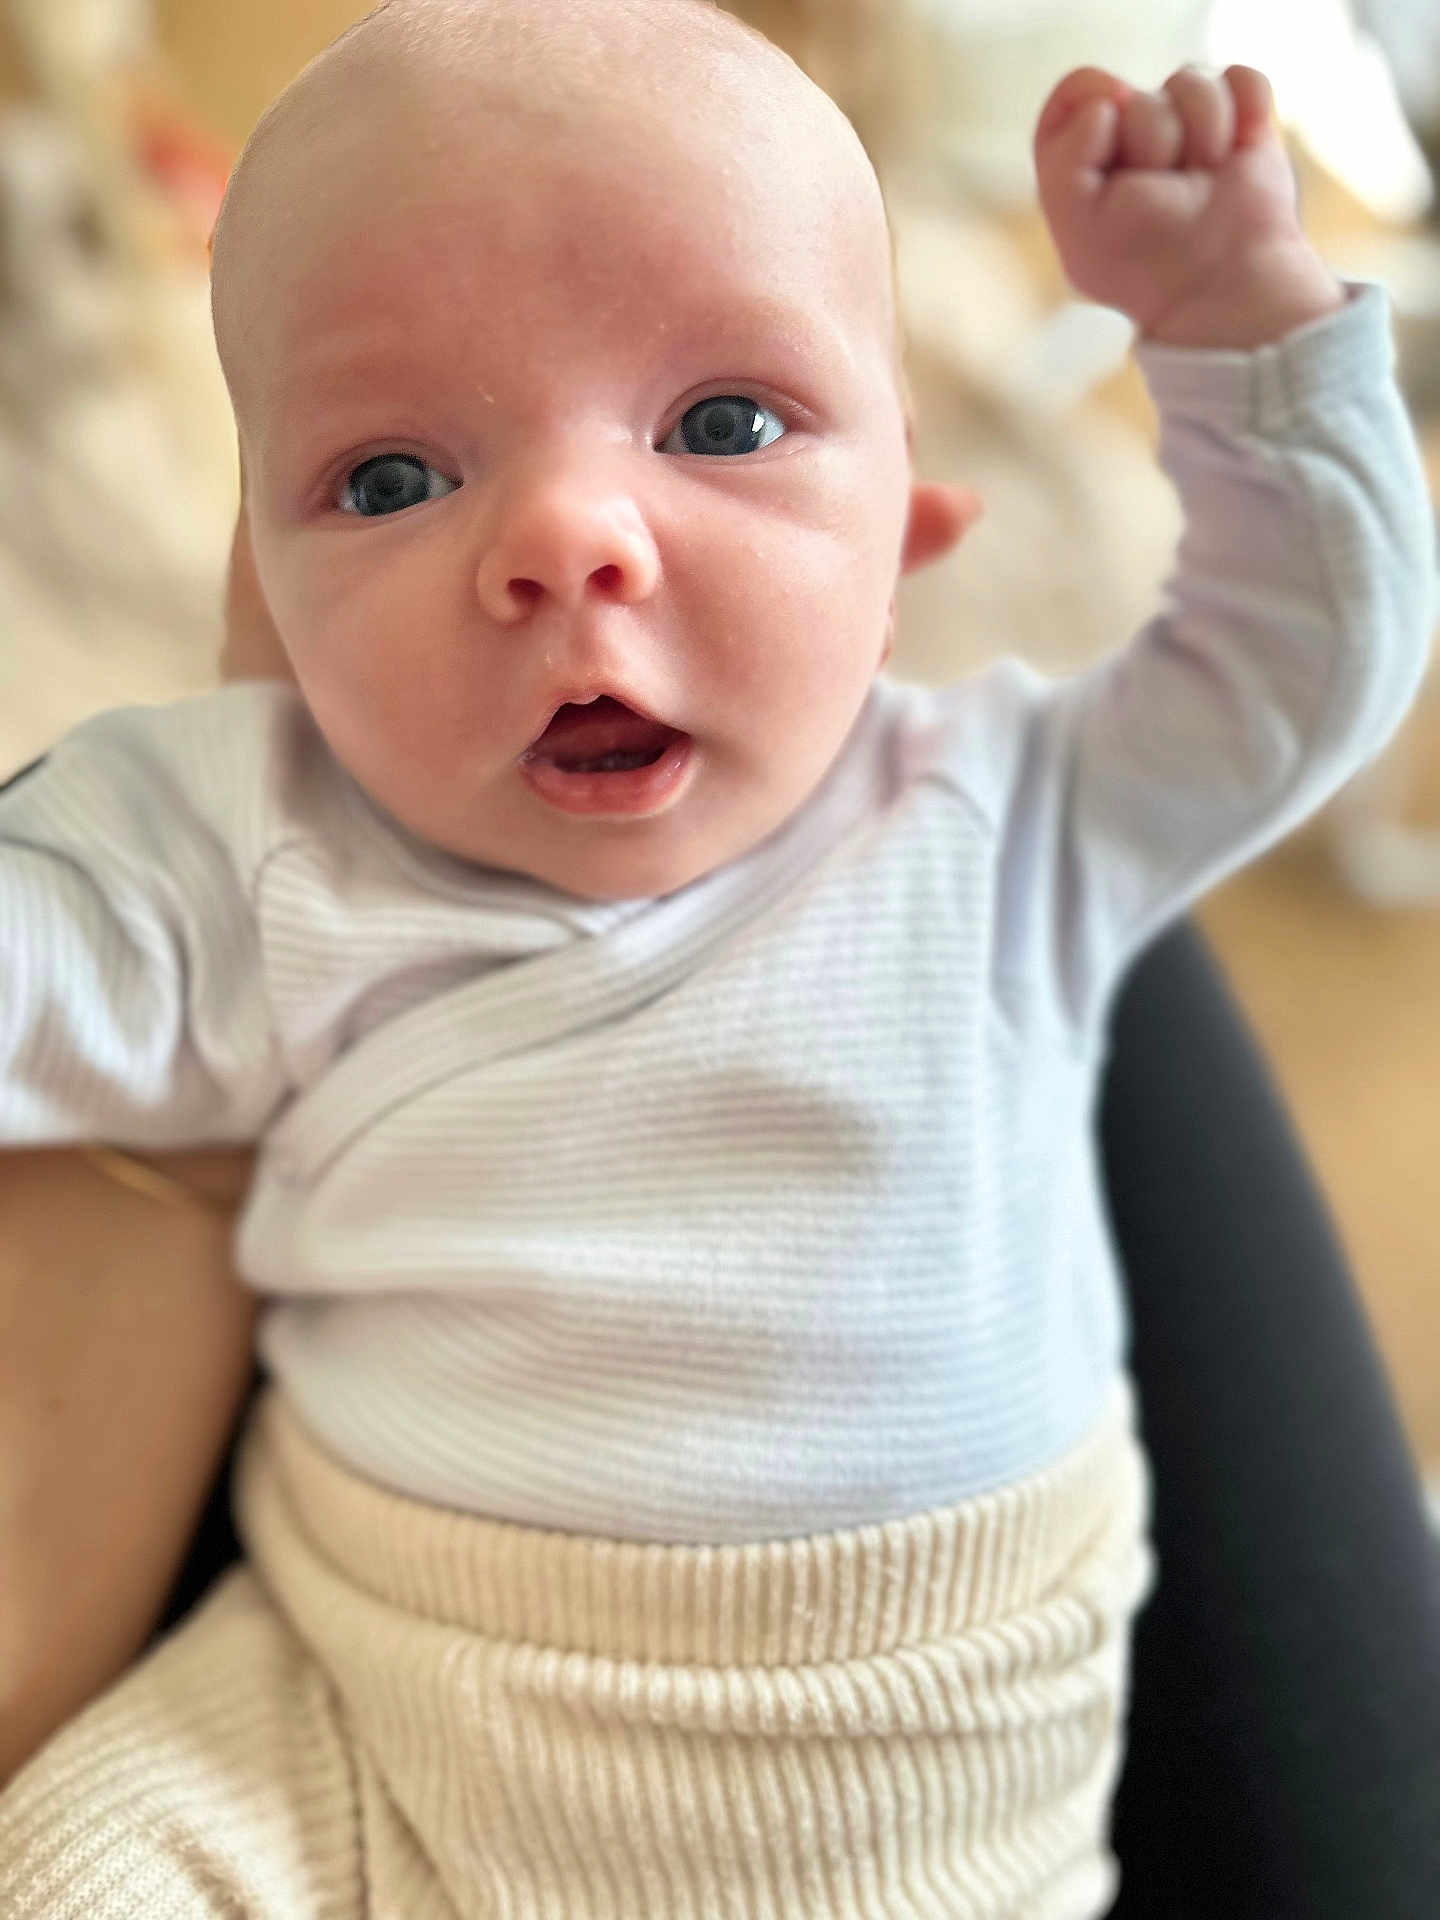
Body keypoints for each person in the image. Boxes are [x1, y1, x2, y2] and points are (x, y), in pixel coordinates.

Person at [0, 0, 1433, 1912]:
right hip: (387, 1740)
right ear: (264, 563)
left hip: (939, 1775)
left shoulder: (1004, 816)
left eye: (726, 426)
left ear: (901, 517)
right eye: (393, 480)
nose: (571, 539)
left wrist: (1252, 335)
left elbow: (1300, 664)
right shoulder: (254, 832)